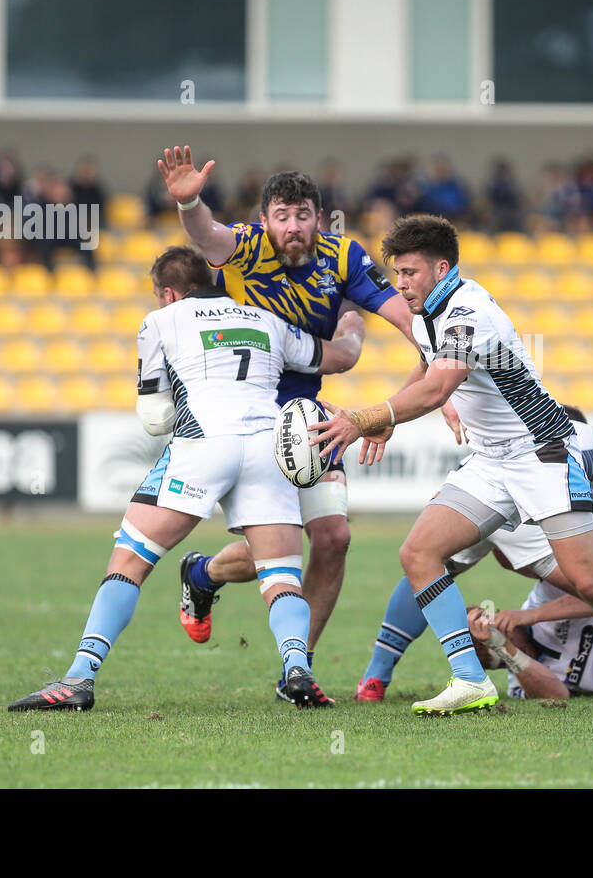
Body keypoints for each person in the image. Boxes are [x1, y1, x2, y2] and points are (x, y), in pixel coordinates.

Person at [309, 213, 593, 716]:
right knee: (419, 552)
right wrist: (392, 416)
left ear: (442, 268)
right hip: (490, 461)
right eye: (396, 273)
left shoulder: (468, 310)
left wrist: (366, 416)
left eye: (411, 273)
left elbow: (441, 385)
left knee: (592, 582)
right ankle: (469, 678)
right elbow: (427, 363)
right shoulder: (429, 310)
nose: (401, 284)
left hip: (542, 453)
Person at [157, 147, 457, 699]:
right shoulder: (245, 247)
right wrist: (190, 201)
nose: (292, 227)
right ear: (265, 220)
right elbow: (207, 237)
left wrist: (443, 377)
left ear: (318, 218)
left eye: (302, 216)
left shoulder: (342, 257)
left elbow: (402, 314)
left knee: (334, 536)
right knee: (278, 550)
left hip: (303, 417)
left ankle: (300, 668)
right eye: (282, 216)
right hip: (244, 415)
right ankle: (201, 575)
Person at [7, 247, 358, 711]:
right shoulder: (266, 319)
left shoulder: (161, 321)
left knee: (130, 561)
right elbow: (336, 357)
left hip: (203, 444)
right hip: (267, 447)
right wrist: (353, 317)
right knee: (281, 577)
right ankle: (297, 670)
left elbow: (154, 417)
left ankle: (78, 680)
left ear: (168, 293)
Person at [354, 405, 593, 701]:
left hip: (479, 486)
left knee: (424, 560)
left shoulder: (525, 421)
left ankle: (376, 678)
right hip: (536, 493)